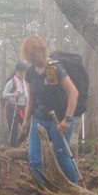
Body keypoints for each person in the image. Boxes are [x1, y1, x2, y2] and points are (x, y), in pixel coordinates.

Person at [19, 35, 79, 184]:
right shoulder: (31, 72)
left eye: (33, 55)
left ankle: (74, 190)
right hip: (39, 119)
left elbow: (73, 92)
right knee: (34, 159)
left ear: (42, 50)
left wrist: (67, 119)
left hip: (59, 119)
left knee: (62, 157)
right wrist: (26, 120)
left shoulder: (55, 67)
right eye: (29, 57)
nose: (31, 59)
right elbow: (31, 99)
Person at [2, 62, 28, 147]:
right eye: (20, 72)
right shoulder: (11, 82)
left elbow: (27, 95)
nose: (22, 74)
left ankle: (19, 141)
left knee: (27, 127)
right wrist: (13, 94)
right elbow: (4, 94)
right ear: (16, 72)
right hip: (12, 107)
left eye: (24, 72)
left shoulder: (25, 82)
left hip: (22, 107)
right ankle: (13, 144)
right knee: (13, 128)